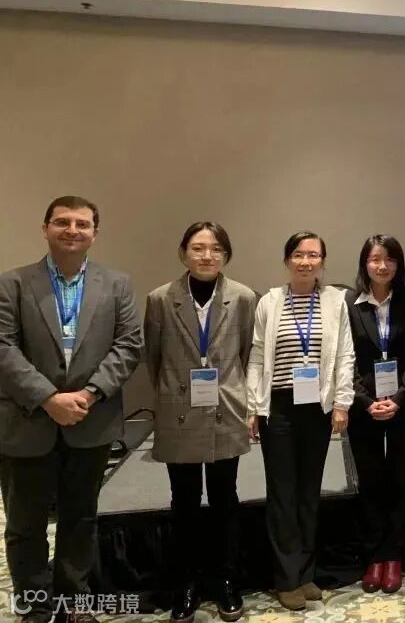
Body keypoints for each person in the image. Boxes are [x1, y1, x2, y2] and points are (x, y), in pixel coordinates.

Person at [0, 196, 142, 623]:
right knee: (25, 523)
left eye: (82, 224)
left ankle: (74, 603)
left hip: (90, 419)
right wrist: (49, 398)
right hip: (27, 421)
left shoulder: (117, 285)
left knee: (81, 518)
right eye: (62, 222)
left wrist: (90, 394)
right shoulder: (12, 284)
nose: (72, 230)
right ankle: (35, 606)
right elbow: (3, 348)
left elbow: (128, 345)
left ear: (95, 234)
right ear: (45, 228)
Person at [143, 222, 258, 622]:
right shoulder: (160, 299)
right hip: (180, 411)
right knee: (185, 502)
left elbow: (247, 355)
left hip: (225, 409)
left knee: (226, 498)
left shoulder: (243, 297)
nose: (207, 256)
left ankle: (226, 580)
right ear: (183, 253)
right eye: (198, 248)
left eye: (216, 249)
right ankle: (186, 583)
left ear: (226, 254)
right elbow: (153, 358)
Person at [245, 232, 354, 611]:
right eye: (298, 254)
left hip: (317, 408)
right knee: (283, 493)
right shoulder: (270, 301)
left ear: (322, 261)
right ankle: (286, 577)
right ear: (287, 260)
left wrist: (341, 403)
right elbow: (257, 355)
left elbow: (345, 355)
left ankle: (305, 572)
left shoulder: (336, 301)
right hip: (279, 408)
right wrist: (253, 406)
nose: (305, 262)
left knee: (309, 492)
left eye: (313, 255)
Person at [345, 235, 405, 595]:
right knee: (370, 482)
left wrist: (400, 397)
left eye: (389, 259)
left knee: (398, 480)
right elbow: (344, 358)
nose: (382, 266)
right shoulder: (350, 305)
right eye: (375, 259)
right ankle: (374, 556)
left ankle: (393, 556)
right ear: (365, 264)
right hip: (363, 408)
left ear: (398, 264)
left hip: (404, 407)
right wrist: (365, 401)